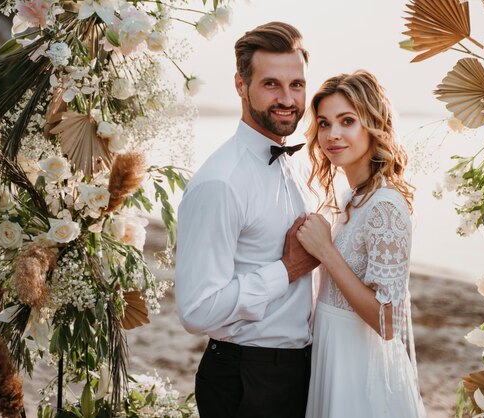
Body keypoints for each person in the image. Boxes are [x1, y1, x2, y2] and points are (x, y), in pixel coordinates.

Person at [175, 22, 319, 418]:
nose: (287, 99)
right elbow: (197, 310)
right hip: (245, 379)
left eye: (297, 85)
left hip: (299, 370)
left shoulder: (295, 165)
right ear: (241, 85)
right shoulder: (220, 182)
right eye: (271, 84)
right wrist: (286, 270)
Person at [296, 70, 427, 418]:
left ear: (373, 125)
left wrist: (326, 251)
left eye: (347, 121)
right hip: (332, 353)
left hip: (360, 368)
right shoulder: (352, 198)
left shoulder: (385, 206)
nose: (332, 135)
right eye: (324, 123)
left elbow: (387, 321)